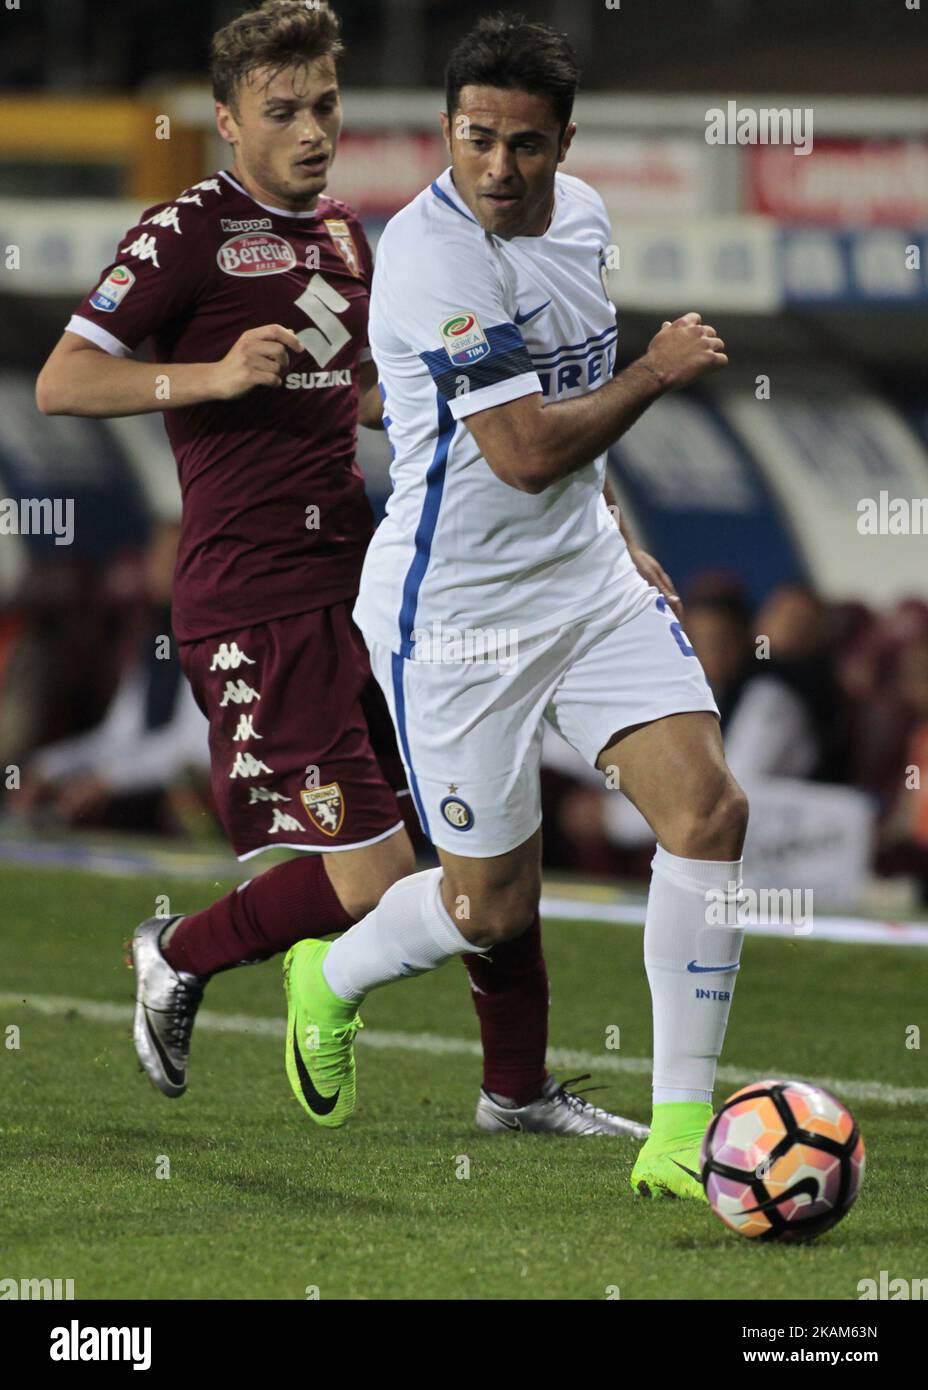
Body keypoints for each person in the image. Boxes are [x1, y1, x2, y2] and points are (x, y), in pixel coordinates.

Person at [35, 0, 643, 1140]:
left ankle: (515, 1090)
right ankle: (174, 951)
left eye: (324, 106)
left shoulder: (348, 241)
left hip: (371, 575)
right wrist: (206, 377)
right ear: (225, 120)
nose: (312, 131)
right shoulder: (185, 235)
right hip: (255, 591)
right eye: (282, 111)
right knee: (373, 881)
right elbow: (63, 382)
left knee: (488, 835)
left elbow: (364, 396)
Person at [283, 13, 749, 1202]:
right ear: (446, 132)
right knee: (488, 908)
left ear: (564, 143)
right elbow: (526, 451)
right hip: (456, 613)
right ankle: (330, 978)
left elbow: (572, 435)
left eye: (525, 145)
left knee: (707, 812)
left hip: (583, 578)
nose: (498, 167)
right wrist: (658, 368)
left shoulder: (584, 215)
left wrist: (622, 539)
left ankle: (681, 1129)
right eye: (476, 139)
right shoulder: (434, 258)